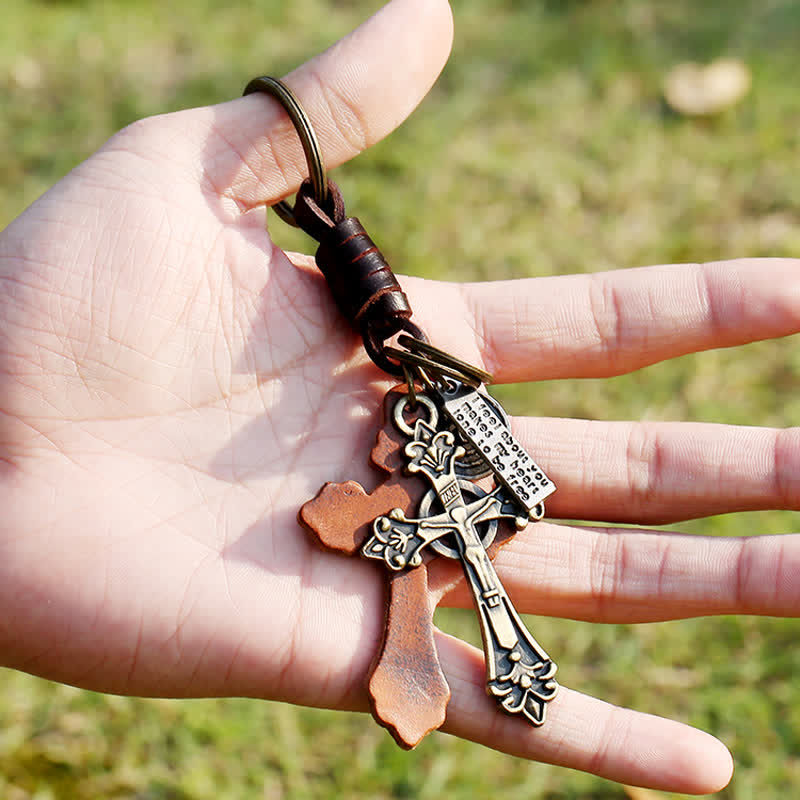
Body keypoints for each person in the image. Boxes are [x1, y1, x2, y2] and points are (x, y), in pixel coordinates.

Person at [0, 0, 798, 793]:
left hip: (439, 510)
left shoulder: (443, 494)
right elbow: (401, 526)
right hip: (428, 510)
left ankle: (514, 659)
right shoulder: (425, 507)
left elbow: (484, 511)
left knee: (482, 579)